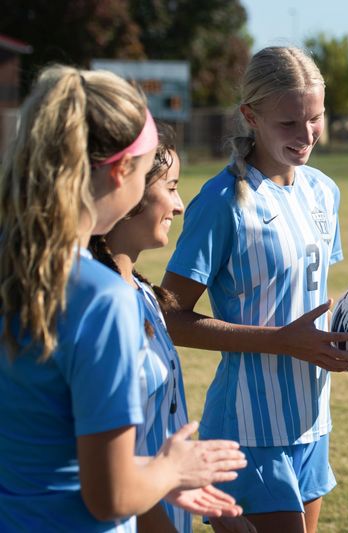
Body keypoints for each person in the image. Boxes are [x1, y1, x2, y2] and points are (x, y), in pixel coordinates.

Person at [0, 65, 247, 532]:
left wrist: (155, 478)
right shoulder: (100, 298)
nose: (176, 202)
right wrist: (172, 467)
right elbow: (110, 497)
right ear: (119, 173)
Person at [161, 47, 348, 533]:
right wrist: (279, 341)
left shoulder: (323, 191)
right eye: (288, 123)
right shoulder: (223, 200)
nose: (306, 135)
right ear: (251, 116)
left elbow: (306, 298)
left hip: (313, 421)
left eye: (315, 118)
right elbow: (168, 317)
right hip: (249, 429)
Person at [88, 123, 196, 532]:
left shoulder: (145, 295)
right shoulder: (103, 304)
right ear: (129, 187)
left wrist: (184, 487)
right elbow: (110, 463)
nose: (180, 204)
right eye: (170, 187)